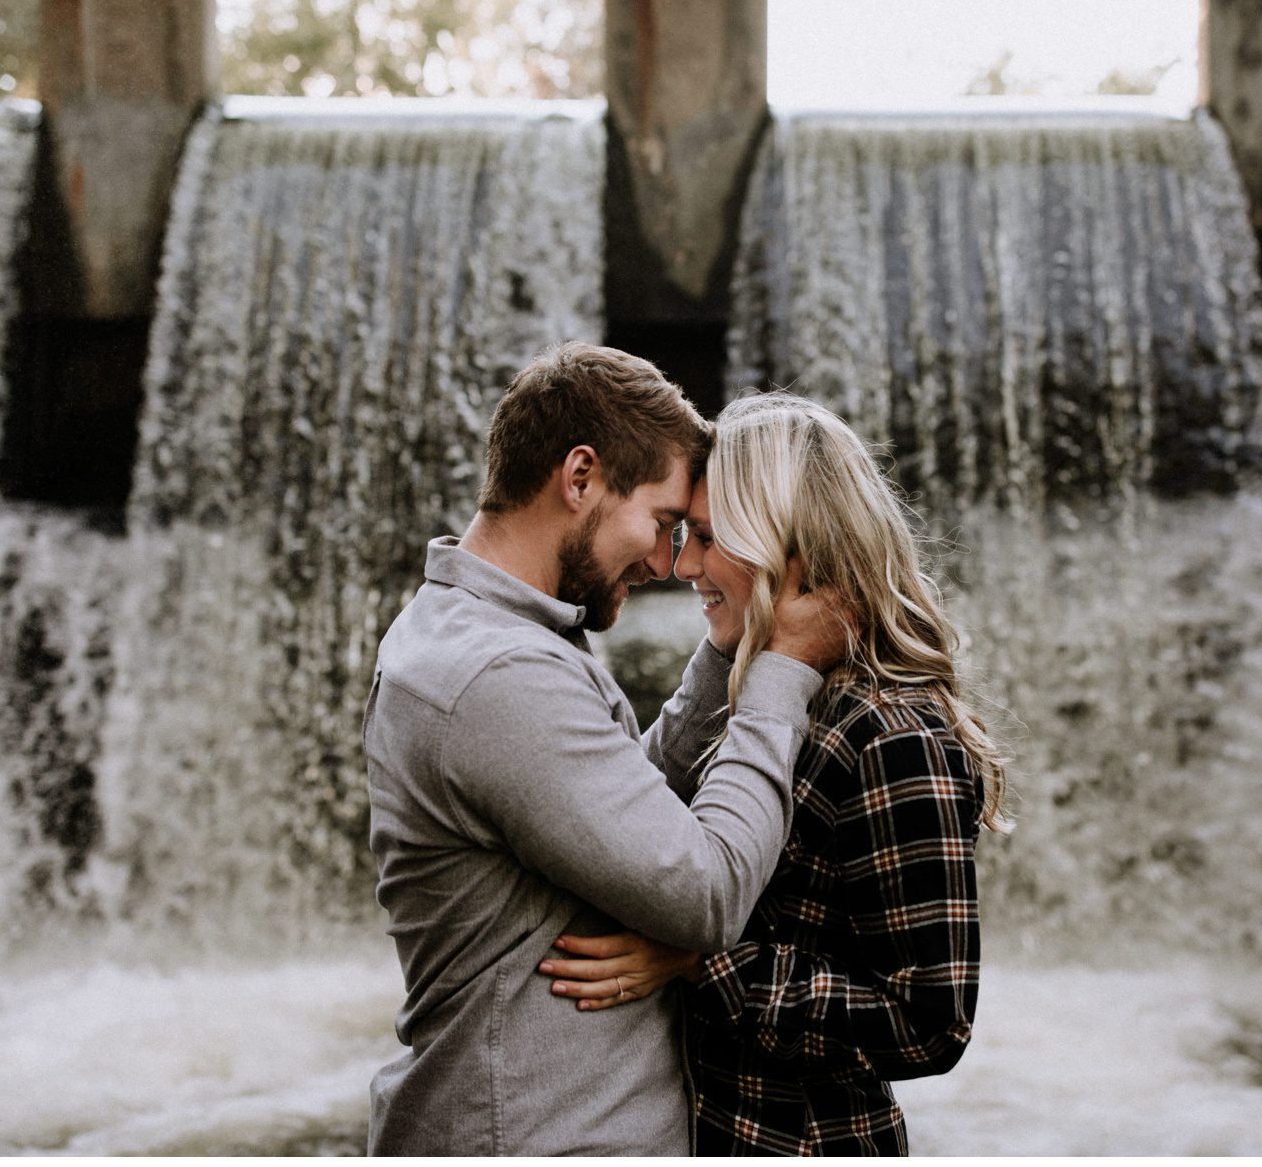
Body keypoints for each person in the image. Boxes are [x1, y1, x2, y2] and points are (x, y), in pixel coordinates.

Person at [361, 344, 851, 1155]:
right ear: (580, 477)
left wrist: (727, 647)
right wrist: (783, 669)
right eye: (662, 524)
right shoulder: (499, 676)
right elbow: (708, 891)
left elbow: (616, 811)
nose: (668, 563)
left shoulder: (477, 630)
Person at [536, 391, 1011, 1154]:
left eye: (709, 539)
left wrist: (706, 961)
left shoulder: (890, 734)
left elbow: (930, 1022)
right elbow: (643, 809)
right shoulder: (769, 694)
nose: (680, 564)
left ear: (791, 548)